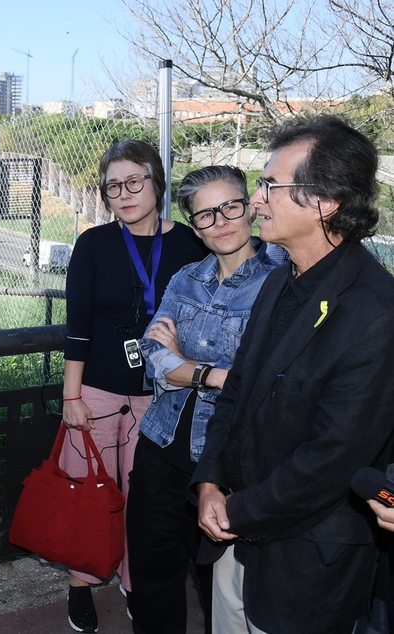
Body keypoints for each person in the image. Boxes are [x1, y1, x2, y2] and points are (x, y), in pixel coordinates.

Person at [193, 115, 394, 634]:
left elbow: (332, 458)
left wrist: (237, 512)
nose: (255, 200)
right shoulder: (277, 281)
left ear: (325, 203)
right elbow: (235, 393)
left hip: (304, 568)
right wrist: (211, 483)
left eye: (268, 186)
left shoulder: (375, 312)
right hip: (232, 544)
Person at [128, 166, 286, 634]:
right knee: (153, 582)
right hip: (159, 445)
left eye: (230, 207)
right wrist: (214, 374)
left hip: (222, 461)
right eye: (205, 215)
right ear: (193, 225)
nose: (221, 221)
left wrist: (185, 364)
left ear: (250, 206)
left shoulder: (279, 283)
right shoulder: (185, 278)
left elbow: (261, 379)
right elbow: (153, 353)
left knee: (217, 587)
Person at [61, 140, 208, 632]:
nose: (123, 194)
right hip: (98, 392)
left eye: (134, 181)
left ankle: (134, 583)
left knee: (144, 501)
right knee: (88, 495)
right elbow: (76, 327)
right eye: (112, 186)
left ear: (157, 181)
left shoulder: (190, 242)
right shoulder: (94, 244)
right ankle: (80, 583)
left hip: (163, 397)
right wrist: (71, 396)